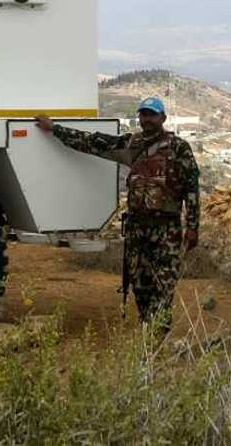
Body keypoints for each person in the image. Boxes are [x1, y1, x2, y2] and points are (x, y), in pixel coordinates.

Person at [35, 97, 199, 333]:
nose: (147, 120)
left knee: (163, 285)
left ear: (162, 118)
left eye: (152, 115)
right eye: (143, 115)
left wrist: (193, 226)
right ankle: (147, 333)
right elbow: (92, 143)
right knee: (140, 285)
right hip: (137, 229)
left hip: (167, 230)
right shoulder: (132, 144)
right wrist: (54, 129)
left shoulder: (179, 147)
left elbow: (191, 186)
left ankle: (159, 336)